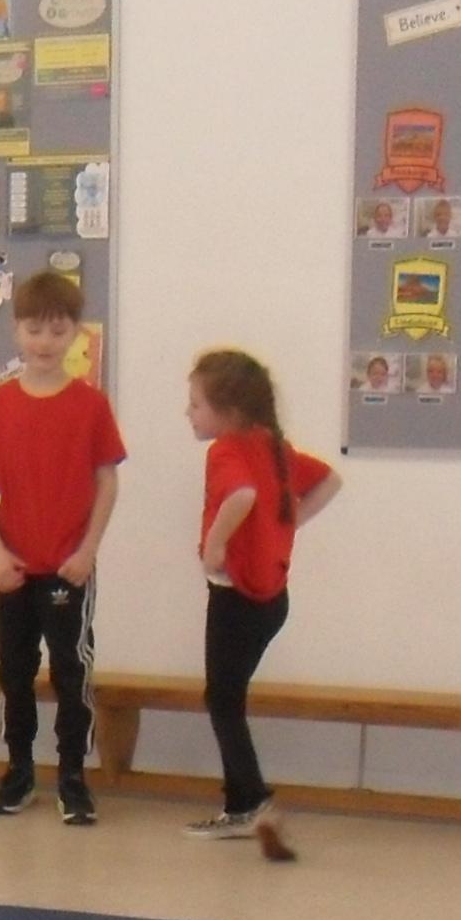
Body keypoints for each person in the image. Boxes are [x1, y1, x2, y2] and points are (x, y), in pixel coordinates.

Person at [0, 269, 126, 823]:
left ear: (76, 332)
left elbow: (107, 481)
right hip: (13, 568)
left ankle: (73, 775)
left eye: (57, 331)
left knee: (71, 674)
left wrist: (87, 551)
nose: (45, 342)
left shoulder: (90, 405)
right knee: (14, 672)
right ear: (16, 330)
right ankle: (19, 770)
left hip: (69, 569)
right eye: (34, 330)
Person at [182, 349, 339, 858]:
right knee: (226, 699)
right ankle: (242, 804)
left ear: (228, 412)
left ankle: (251, 803)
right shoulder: (271, 447)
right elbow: (330, 481)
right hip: (271, 600)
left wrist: (215, 544)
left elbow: (242, 496)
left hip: (237, 598)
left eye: (196, 405)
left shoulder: (227, 450)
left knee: (223, 700)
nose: (189, 413)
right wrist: (287, 523)